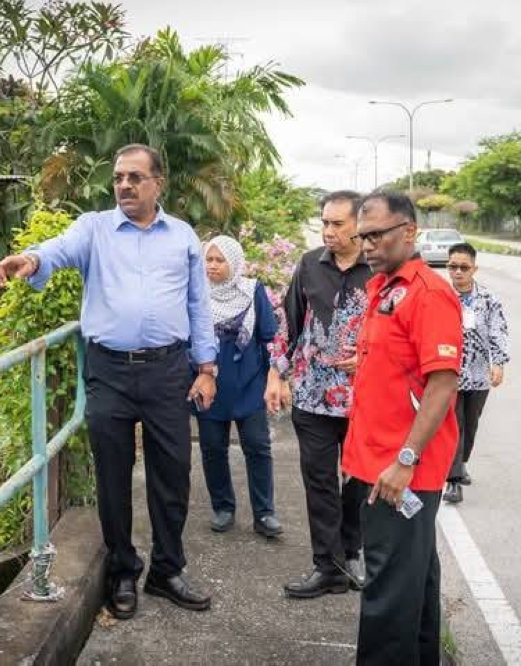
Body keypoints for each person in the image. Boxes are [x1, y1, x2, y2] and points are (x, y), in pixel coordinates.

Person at [0, 144, 217, 620]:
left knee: (173, 475)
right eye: (118, 177)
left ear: (159, 183)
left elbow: (199, 306)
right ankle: (122, 572)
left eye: (135, 177)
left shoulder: (181, 237)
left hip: (168, 371)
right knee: (113, 479)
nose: (124, 185)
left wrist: (206, 368)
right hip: (110, 372)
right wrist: (33, 261)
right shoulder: (94, 229)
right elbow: (57, 249)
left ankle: (167, 570)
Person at [341, 191, 462, 665]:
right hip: (377, 461)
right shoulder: (388, 287)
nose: (366, 245)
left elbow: (443, 382)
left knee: (388, 595)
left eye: (376, 235)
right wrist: (366, 363)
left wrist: (405, 461)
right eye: (361, 236)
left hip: (399, 470)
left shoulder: (428, 293)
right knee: (414, 583)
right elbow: (403, 362)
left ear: (409, 232)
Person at [266, 190, 371, 598]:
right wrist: (277, 374)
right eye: (324, 222)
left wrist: (369, 356)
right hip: (312, 397)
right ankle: (326, 566)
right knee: (319, 482)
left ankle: (352, 549)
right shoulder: (310, 264)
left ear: (359, 225)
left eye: (337, 224)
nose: (328, 231)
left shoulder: (377, 269)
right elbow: (288, 322)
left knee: (360, 480)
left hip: (363, 399)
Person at [197, 235, 282, 538]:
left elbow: (269, 336)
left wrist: (275, 376)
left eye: (220, 260)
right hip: (209, 386)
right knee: (212, 449)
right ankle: (223, 508)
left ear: (234, 263)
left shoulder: (252, 290)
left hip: (250, 384)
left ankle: (265, 513)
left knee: (258, 447)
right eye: (209, 259)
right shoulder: (197, 294)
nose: (213, 266)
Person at [442, 242, 511, 504]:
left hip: (479, 374)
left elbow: (499, 331)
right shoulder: (440, 295)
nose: (457, 272)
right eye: (452, 266)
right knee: (454, 426)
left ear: (474, 268)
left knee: (470, 427)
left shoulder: (489, 299)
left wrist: (499, 363)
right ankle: (454, 481)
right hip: (448, 374)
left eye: (463, 267)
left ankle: (461, 463)